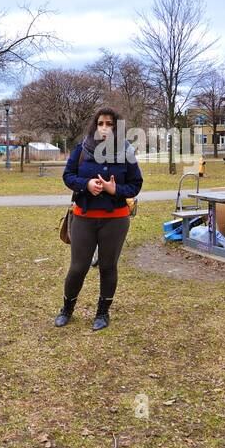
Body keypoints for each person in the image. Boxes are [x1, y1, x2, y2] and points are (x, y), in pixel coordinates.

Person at [57, 109, 142, 330]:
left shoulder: (126, 151)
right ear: (95, 125)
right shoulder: (82, 148)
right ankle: (67, 308)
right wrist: (85, 185)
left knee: (107, 267)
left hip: (115, 219)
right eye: (100, 123)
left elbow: (136, 184)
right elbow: (68, 175)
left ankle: (102, 313)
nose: (104, 127)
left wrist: (115, 189)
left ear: (117, 127)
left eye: (110, 124)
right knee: (78, 267)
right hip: (84, 217)